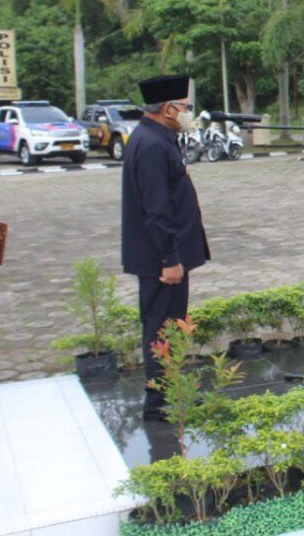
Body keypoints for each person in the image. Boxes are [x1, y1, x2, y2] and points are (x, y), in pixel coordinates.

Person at [122, 74, 210, 419]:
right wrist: (170, 258)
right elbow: (156, 209)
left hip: (165, 255)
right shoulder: (152, 145)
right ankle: (159, 402)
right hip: (161, 259)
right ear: (167, 108)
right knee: (162, 327)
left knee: (170, 323)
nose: (188, 112)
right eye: (185, 107)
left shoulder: (157, 138)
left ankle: (170, 391)